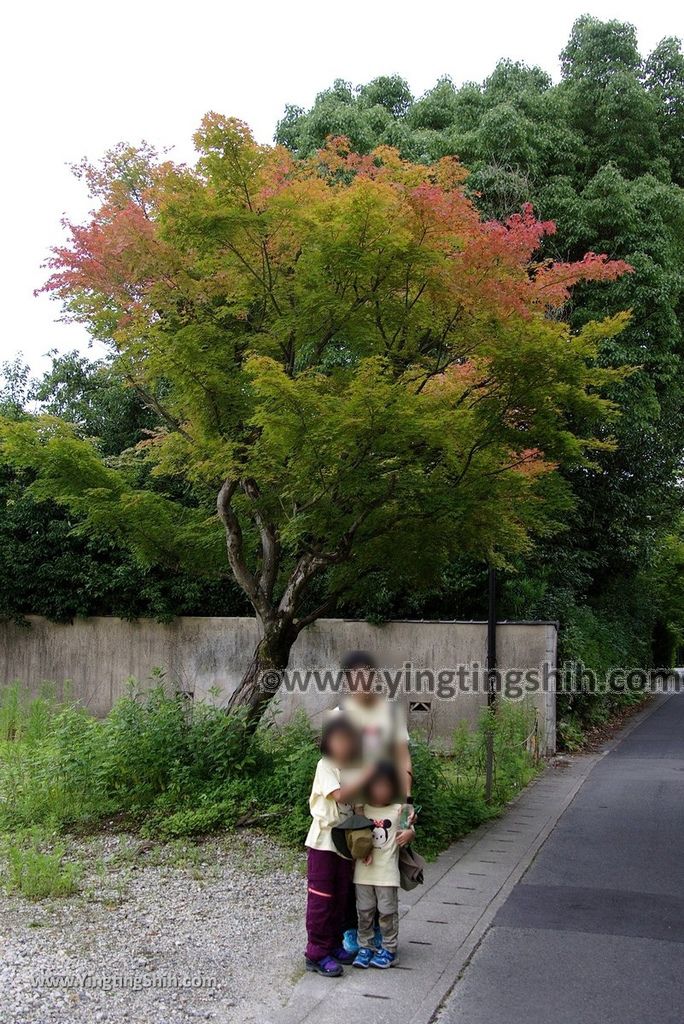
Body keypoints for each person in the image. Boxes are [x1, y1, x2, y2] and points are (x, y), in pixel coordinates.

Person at [304, 716, 374, 977]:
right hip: (323, 842)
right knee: (321, 898)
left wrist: (365, 844)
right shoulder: (326, 765)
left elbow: (358, 807)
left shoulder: (352, 768)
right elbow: (340, 795)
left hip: (345, 843)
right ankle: (316, 952)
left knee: (341, 896)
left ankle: (333, 945)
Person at [353, 761, 415, 969]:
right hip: (363, 871)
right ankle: (365, 947)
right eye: (377, 786)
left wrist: (409, 833)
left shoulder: (400, 810)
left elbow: (411, 829)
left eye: (387, 786)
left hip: (387, 873)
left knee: (387, 912)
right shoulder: (362, 809)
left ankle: (389, 949)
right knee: (364, 911)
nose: (382, 791)